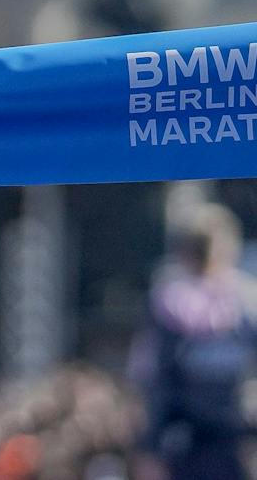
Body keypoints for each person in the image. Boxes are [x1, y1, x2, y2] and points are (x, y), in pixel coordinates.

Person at [132, 203, 257, 480]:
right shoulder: (246, 300)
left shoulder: (169, 301)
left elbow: (155, 378)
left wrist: (151, 445)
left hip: (200, 436)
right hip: (216, 434)